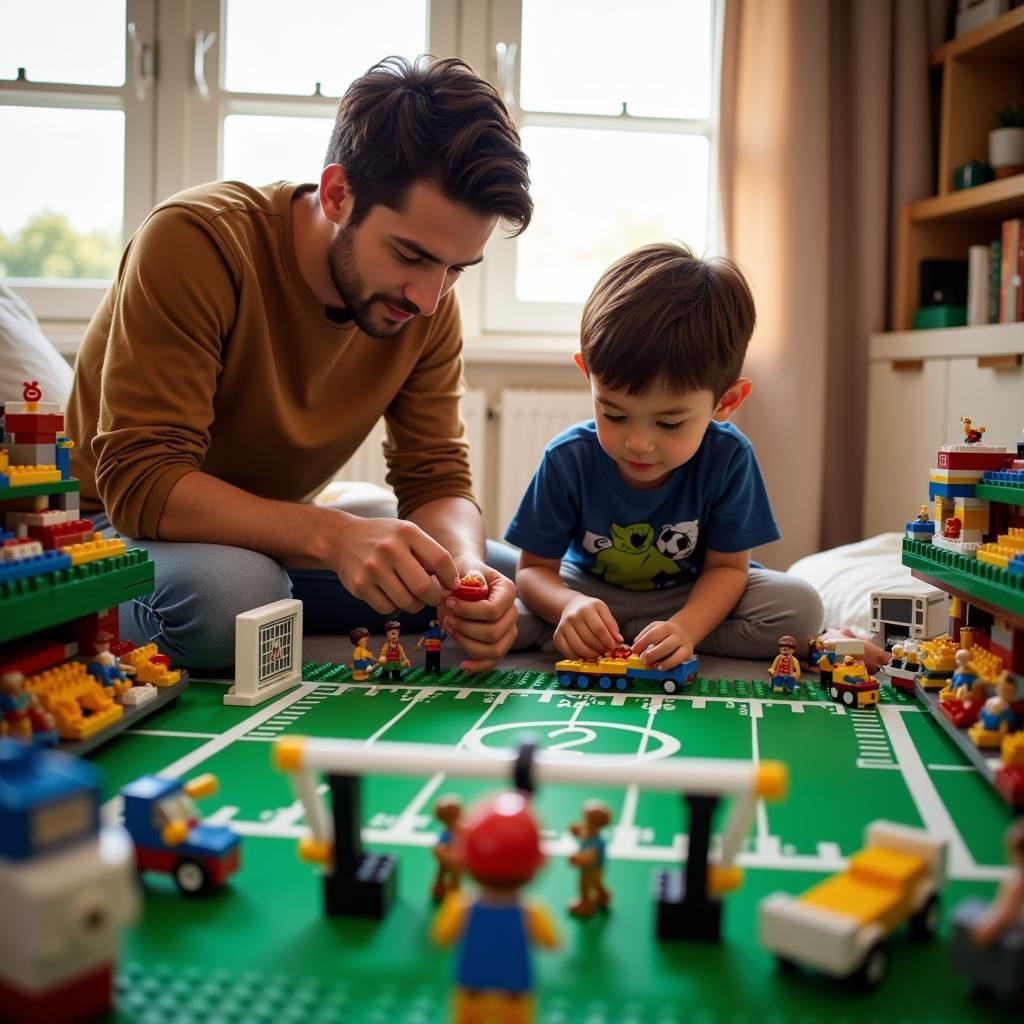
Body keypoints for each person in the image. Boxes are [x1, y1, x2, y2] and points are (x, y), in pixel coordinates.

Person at [66, 56, 531, 673]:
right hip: (107, 528)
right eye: (411, 255)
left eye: (455, 269)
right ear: (339, 194)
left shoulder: (427, 304)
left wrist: (467, 571)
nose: (428, 297)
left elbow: (437, 478)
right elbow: (142, 482)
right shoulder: (195, 242)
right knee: (234, 600)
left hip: (269, 537)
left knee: (522, 584)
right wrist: (331, 536)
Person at [507, 244, 823, 668]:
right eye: (614, 414)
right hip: (586, 590)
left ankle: (654, 639)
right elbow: (533, 571)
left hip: (688, 594)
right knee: (493, 603)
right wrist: (567, 605)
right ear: (588, 376)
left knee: (799, 608)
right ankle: (612, 635)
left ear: (725, 402)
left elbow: (728, 569)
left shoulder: (728, 457)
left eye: (669, 423)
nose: (638, 442)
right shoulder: (568, 457)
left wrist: (688, 627)